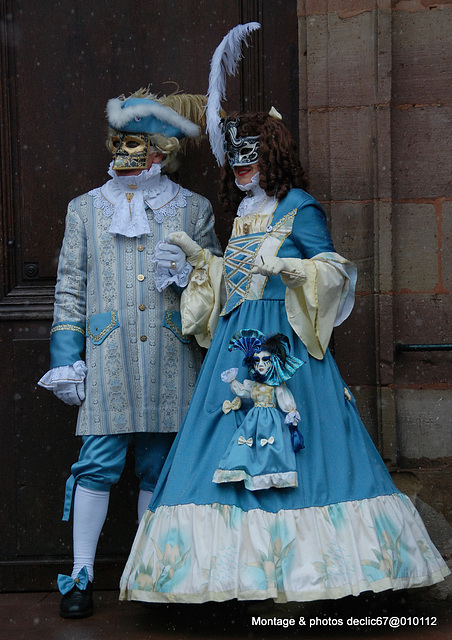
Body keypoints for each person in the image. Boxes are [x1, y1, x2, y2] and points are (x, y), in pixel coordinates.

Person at [118, 108, 449, 605]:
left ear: (272, 156)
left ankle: (309, 576)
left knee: (307, 449)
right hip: (237, 342)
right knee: (220, 442)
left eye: (249, 159)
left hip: (284, 344)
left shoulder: (300, 206)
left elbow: (333, 269)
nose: (239, 169)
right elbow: (237, 280)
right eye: (234, 161)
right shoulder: (243, 213)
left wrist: (295, 270)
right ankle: (235, 578)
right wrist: (199, 261)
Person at [37, 87, 221, 618]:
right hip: (106, 357)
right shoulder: (85, 209)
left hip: (171, 356)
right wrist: (66, 356)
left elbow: (214, 288)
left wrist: (190, 274)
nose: (133, 156)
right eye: (123, 143)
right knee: (96, 464)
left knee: (160, 468)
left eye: (144, 146)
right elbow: (69, 286)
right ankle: (80, 575)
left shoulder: (194, 208)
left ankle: (151, 575)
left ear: (164, 151)